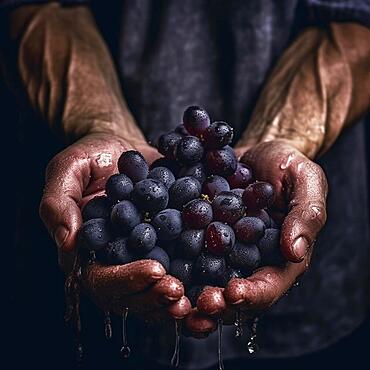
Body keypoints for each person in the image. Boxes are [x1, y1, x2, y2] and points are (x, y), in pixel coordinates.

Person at [1, 1, 370, 369]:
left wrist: (288, 134)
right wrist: (99, 123)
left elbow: (358, 22)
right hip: (57, 280)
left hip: (316, 296)